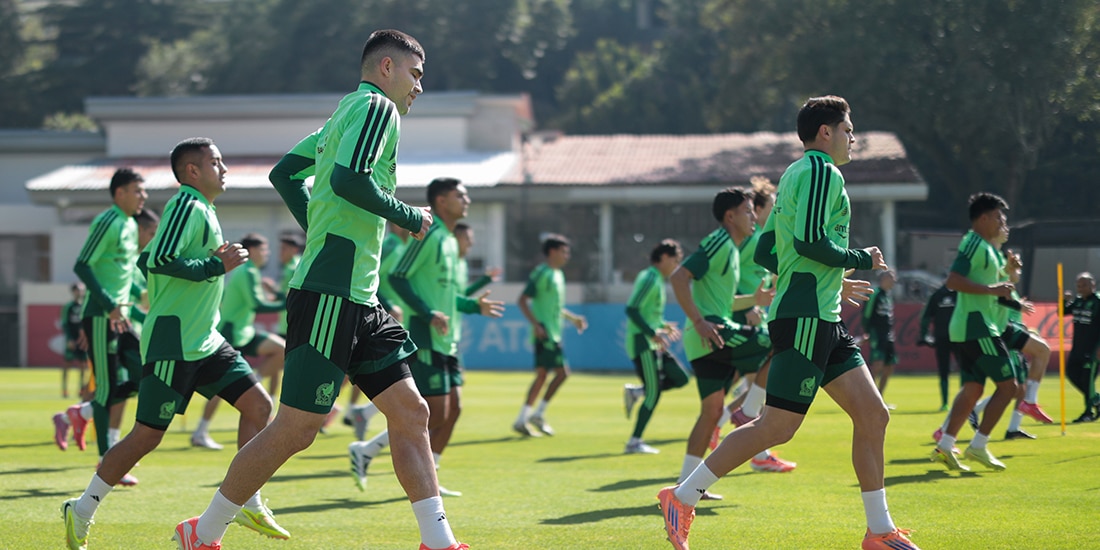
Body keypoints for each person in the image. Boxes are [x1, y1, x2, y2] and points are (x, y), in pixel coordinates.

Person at [178, 30, 468, 550]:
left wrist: (320, 230)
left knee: (411, 413)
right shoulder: (379, 109)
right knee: (297, 429)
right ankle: (202, 532)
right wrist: (409, 216)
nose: (419, 87)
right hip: (332, 292)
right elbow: (350, 180)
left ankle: (439, 542)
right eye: (416, 75)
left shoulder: (343, 115)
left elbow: (285, 174)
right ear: (386, 67)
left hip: (359, 292)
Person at [657, 96, 918, 550]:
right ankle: (681, 496)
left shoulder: (795, 175)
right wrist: (862, 259)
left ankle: (879, 532)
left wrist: (825, 284)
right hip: (805, 319)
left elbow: (765, 252)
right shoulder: (820, 172)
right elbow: (811, 241)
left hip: (821, 316)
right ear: (825, 133)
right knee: (775, 427)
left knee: (873, 415)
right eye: (848, 129)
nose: (853, 137)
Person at [61, 138, 286, 550]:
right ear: (192, 172)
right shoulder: (186, 204)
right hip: (174, 341)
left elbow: (160, 261)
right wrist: (216, 264)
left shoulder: (204, 209)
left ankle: (248, 500)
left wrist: (214, 262)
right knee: (146, 436)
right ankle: (82, 508)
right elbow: (158, 259)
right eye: (216, 162)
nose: (225, 168)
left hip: (207, 338)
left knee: (259, 406)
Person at [350, 178, 503, 496]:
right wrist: (427, 313)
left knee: (453, 410)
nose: (467, 200)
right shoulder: (429, 235)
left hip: (447, 338)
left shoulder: (448, 239)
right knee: (434, 411)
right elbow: (397, 276)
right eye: (461, 195)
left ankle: (415, 466)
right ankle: (369, 451)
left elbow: (447, 298)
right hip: (426, 336)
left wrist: (474, 306)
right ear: (442, 201)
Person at [668, 187, 786, 495]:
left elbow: (721, 301)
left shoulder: (733, 250)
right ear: (730, 216)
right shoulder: (719, 243)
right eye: (747, 211)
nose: (753, 217)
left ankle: (685, 487)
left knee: (710, 414)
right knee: (784, 343)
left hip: (704, 338)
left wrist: (753, 299)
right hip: (715, 332)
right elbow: (679, 278)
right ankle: (748, 410)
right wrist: (698, 320)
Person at [52, 168, 146, 479]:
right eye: (137, 190)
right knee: (106, 388)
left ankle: (83, 413)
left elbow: (125, 276)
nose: (143, 196)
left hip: (122, 318)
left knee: (144, 376)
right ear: (119, 193)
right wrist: (108, 306)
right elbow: (82, 265)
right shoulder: (107, 221)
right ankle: (109, 463)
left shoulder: (131, 224)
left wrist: (144, 298)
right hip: (101, 317)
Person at [931, 192, 1019, 473]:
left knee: (972, 390)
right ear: (982, 218)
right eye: (997, 217)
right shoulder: (973, 243)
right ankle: (978, 445)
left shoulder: (989, 249)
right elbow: (954, 281)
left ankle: (945, 446)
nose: (1001, 222)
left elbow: (998, 290)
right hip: (976, 326)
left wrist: (1009, 276)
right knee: (1009, 388)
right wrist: (994, 289)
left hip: (975, 326)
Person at [191, 233, 288, 450]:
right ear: (252, 251)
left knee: (281, 350)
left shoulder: (251, 271)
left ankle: (255, 380)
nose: (267, 254)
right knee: (221, 387)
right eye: (264, 250)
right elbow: (257, 304)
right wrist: (288, 303)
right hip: (232, 332)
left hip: (245, 331)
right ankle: (200, 431)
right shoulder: (246, 271)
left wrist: (282, 299)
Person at [513, 234, 587, 437]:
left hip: (553, 334)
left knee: (548, 375)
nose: (567, 256)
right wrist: (536, 325)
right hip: (545, 333)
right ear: (552, 252)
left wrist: (573, 319)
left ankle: (529, 417)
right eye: (564, 251)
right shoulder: (542, 273)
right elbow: (522, 300)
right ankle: (530, 416)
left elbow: (556, 306)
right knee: (556, 374)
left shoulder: (558, 275)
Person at [621, 239, 690, 454]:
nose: (677, 265)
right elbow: (632, 310)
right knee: (654, 393)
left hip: (651, 341)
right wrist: (653, 332)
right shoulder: (650, 278)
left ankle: (637, 392)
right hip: (643, 342)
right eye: (675, 260)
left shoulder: (658, 279)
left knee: (681, 377)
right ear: (664, 258)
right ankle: (634, 441)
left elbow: (647, 313)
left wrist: (662, 326)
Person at [1062, 272, 1100, 423]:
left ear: (1093, 285)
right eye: (1078, 285)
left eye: (1084, 285)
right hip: (1077, 348)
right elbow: (1062, 312)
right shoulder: (1077, 302)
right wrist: (1063, 301)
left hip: (1092, 350)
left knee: (1087, 380)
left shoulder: (1097, 302)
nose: (1081, 288)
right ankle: (1096, 399)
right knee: (1071, 374)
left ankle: (1088, 412)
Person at [918, 283, 958, 410]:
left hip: (958, 337)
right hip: (944, 338)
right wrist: (924, 335)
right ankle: (945, 402)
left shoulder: (960, 293)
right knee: (944, 370)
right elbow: (926, 316)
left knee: (964, 369)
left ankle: (965, 401)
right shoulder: (938, 295)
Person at [863, 269, 897, 405]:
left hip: (888, 335)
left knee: (889, 366)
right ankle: (867, 397)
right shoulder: (875, 294)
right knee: (877, 365)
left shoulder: (887, 295)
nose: (894, 280)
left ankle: (879, 399)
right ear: (884, 278)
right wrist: (867, 332)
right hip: (877, 334)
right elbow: (866, 314)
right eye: (891, 277)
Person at [59, 282, 87, 399]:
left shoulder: (85, 306)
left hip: (82, 340)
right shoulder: (69, 307)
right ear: (73, 292)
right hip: (72, 339)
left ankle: (81, 389)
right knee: (67, 364)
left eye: (80, 290)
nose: (79, 292)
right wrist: (69, 339)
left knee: (82, 365)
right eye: (76, 290)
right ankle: (64, 389)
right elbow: (65, 323)